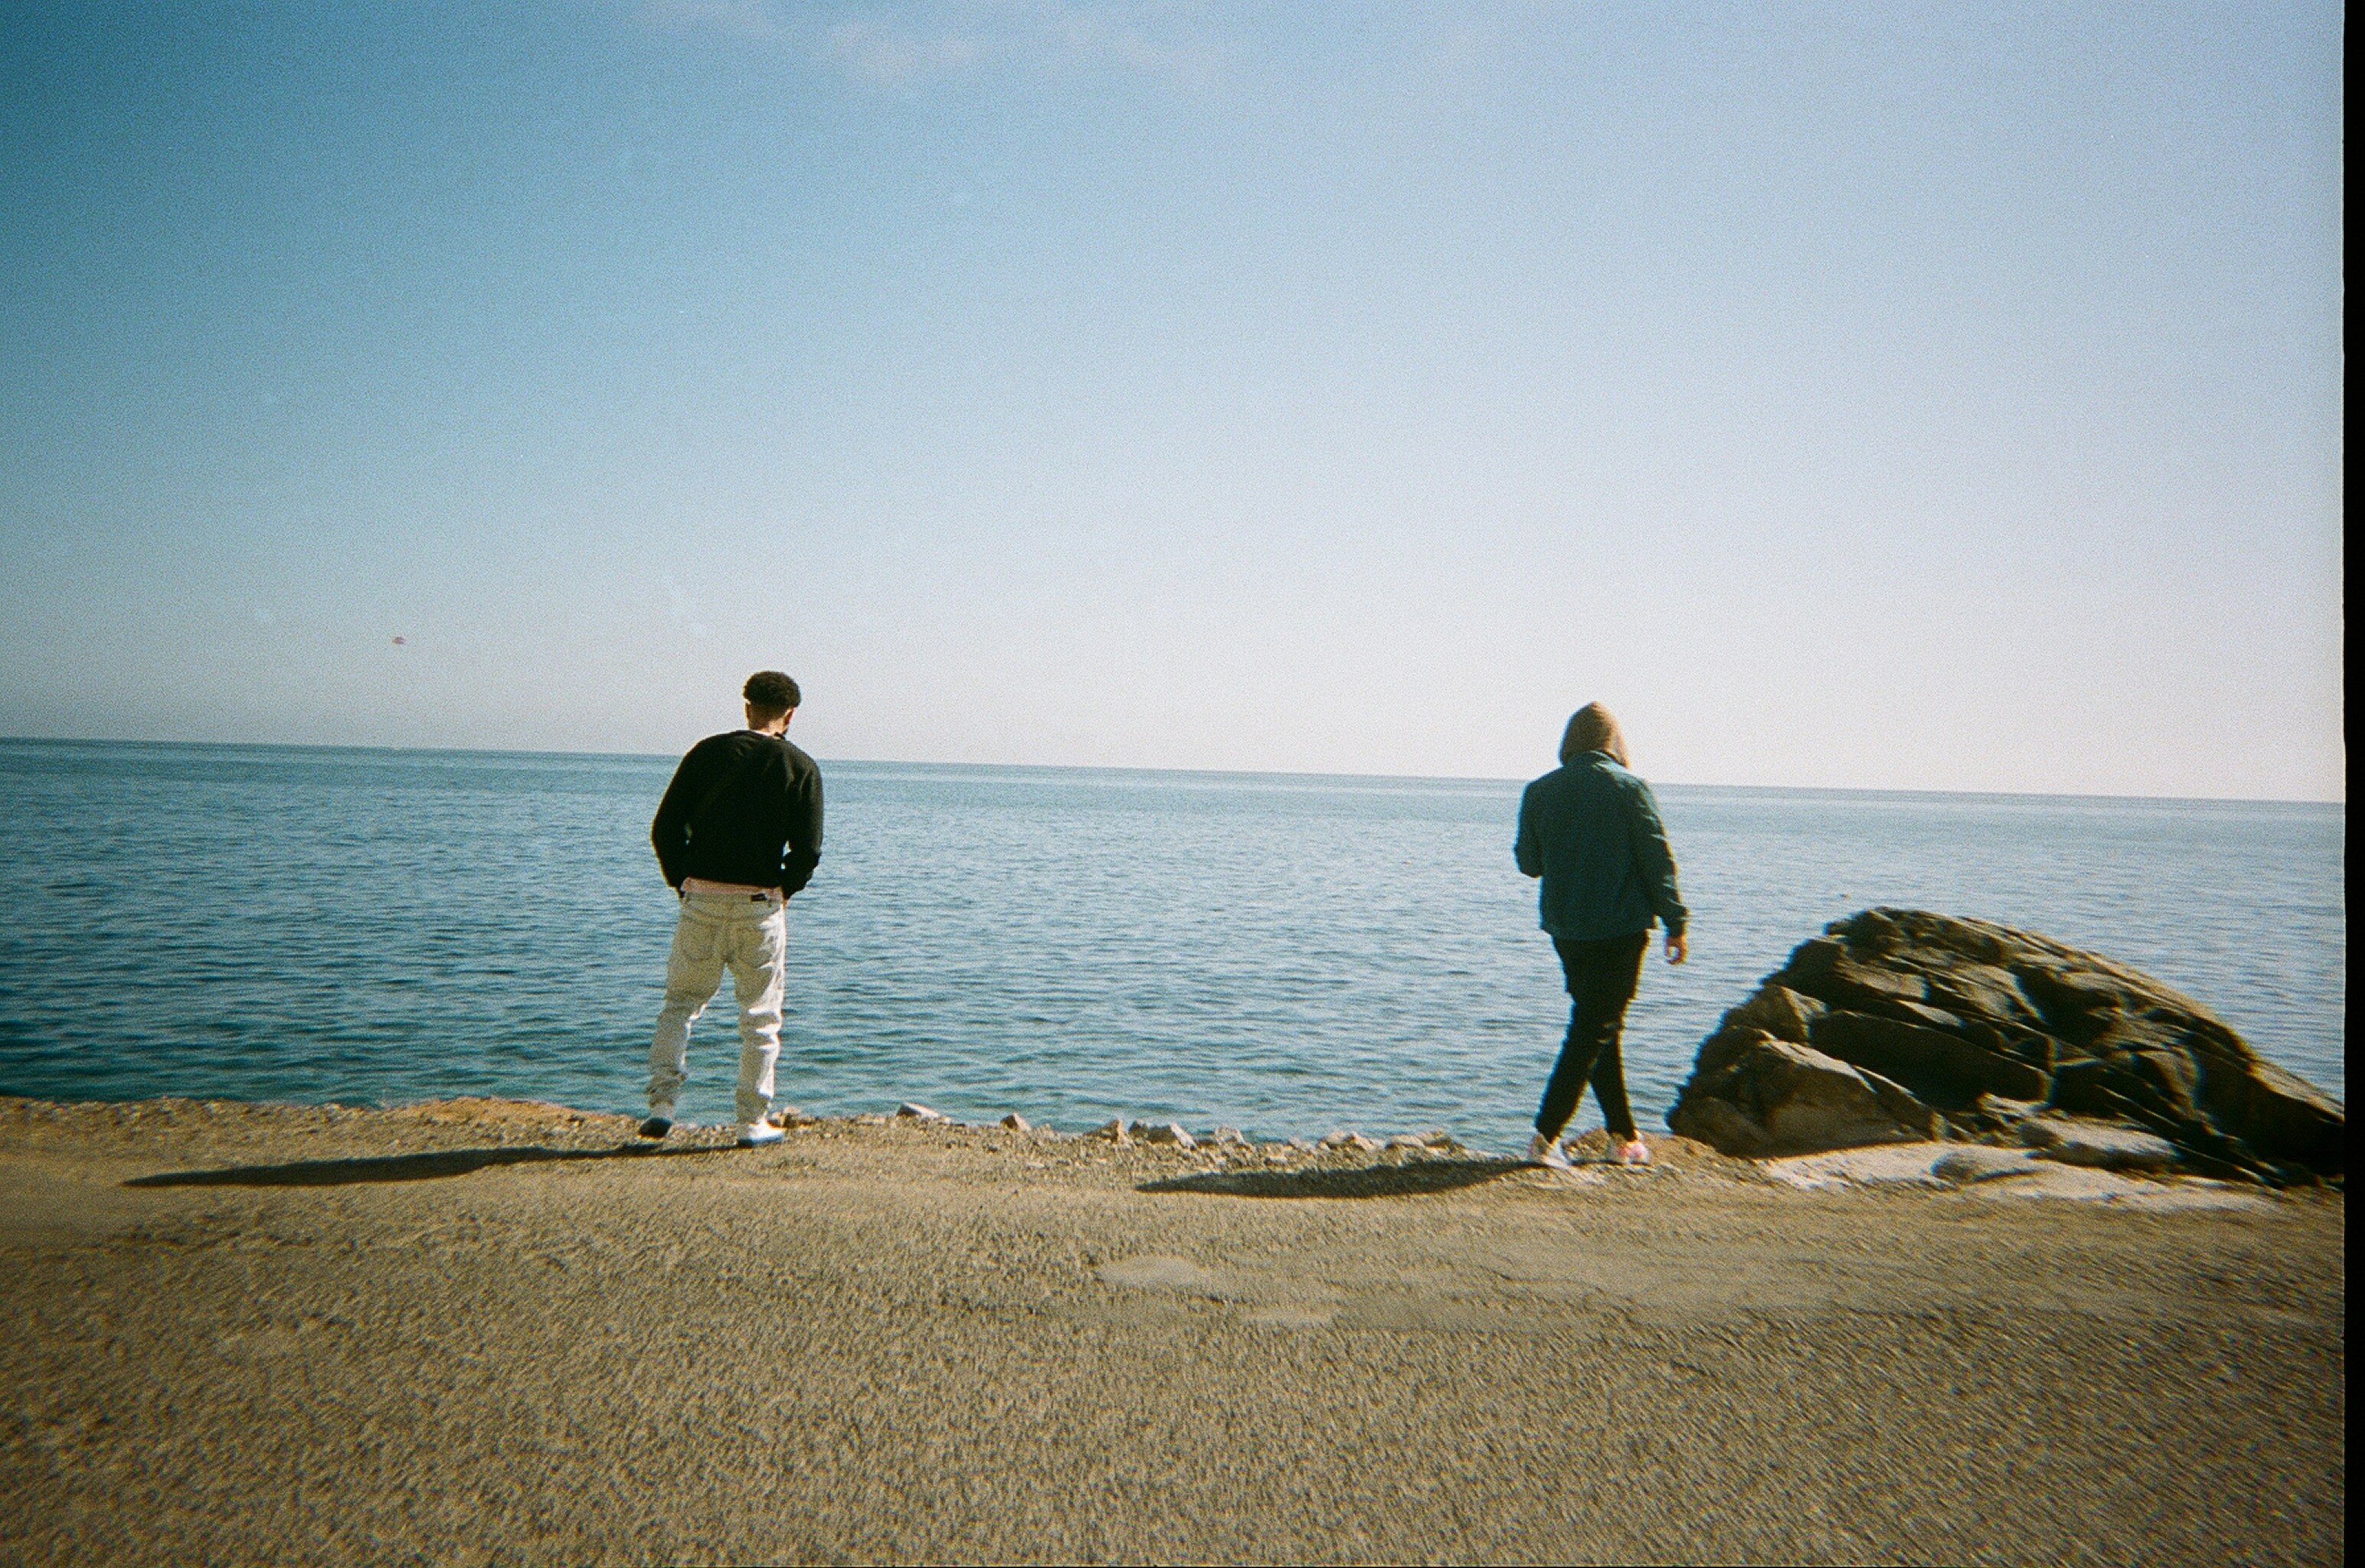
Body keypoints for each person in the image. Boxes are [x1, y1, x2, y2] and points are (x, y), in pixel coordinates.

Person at [639, 671, 824, 1147]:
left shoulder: (706, 753)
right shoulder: (800, 765)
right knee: (760, 1018)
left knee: (680, 1005)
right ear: (790, 714)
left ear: (746, 707)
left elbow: (664, 828)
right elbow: (808, 849)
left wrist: (681, 880)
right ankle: (751, 1121)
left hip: (701, 896)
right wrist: (784, 888)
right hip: (759, 902)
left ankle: (662, 1106)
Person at [1513, 702, 1688, 1169]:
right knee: (1594, 1027)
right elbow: (1656, 858)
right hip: (1621, 928)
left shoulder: (1539, 792)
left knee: (1599, 1027)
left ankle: (1624, 1138)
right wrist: (1676, 920)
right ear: (1613, 742)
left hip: (1567, 929)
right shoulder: (1630, 789)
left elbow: (1529, 864)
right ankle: (1544, 1137)